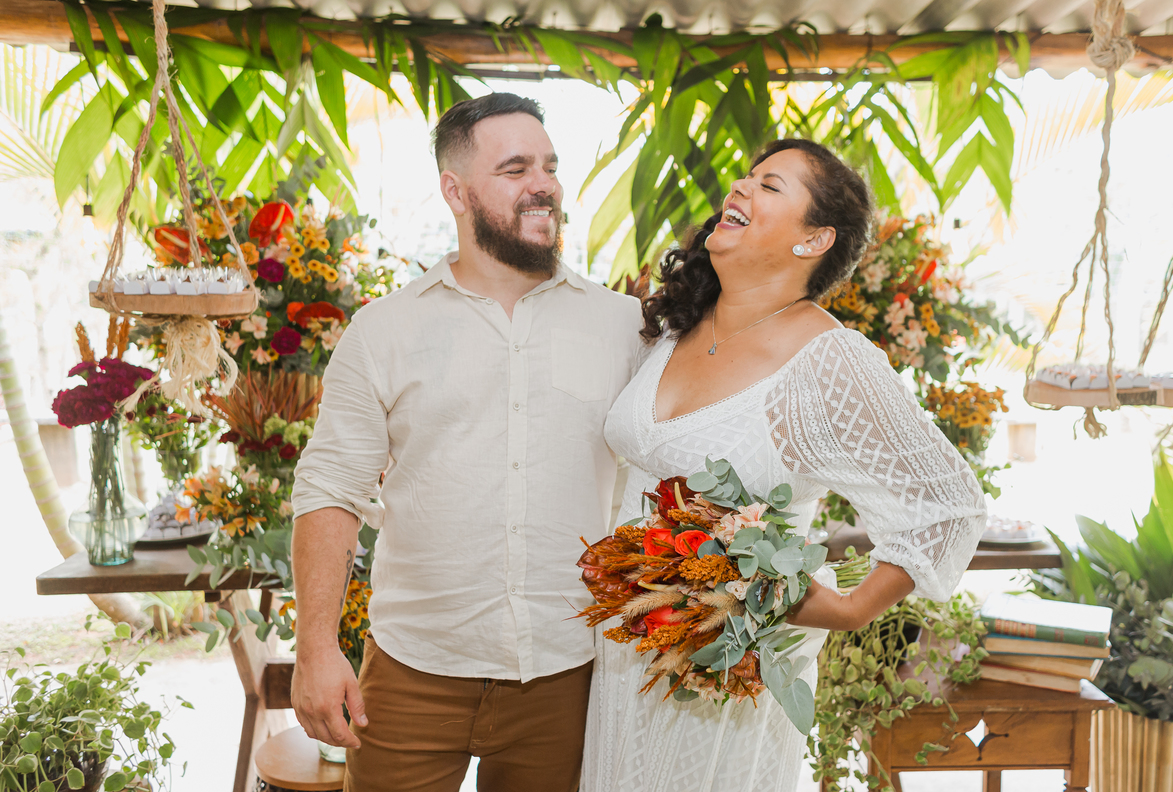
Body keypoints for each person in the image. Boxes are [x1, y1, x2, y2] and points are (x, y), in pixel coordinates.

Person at [582, 138, 988, 790]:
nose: (740, 187)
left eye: (770, 186)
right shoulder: (676, 324)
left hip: (723, 680)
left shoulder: (831, 362)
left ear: (813, 240)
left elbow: (947, 505)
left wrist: (850, 609)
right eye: (745, 176)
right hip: (623, 656)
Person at [289, 92, 644, 792]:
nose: (542, 184)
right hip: (413, 669)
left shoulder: (624, 326)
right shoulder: (385, 330)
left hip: (567, 673)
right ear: (456, 191)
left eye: (548, 165)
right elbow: (331, 487)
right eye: (514, 168)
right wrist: (316, 648)